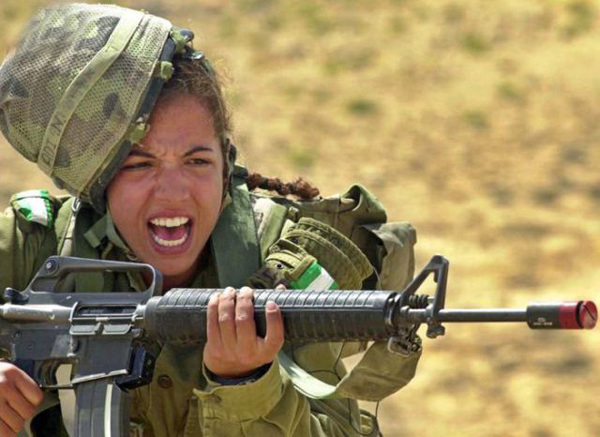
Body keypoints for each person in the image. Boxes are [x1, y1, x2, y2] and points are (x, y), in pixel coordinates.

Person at [0, 4, 421, 436]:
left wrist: (247, 385)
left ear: (225, 168)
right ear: (99, 181)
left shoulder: (284, 269)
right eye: (140, 165)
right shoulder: (31, 246)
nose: (173, 192)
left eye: (197, 161)